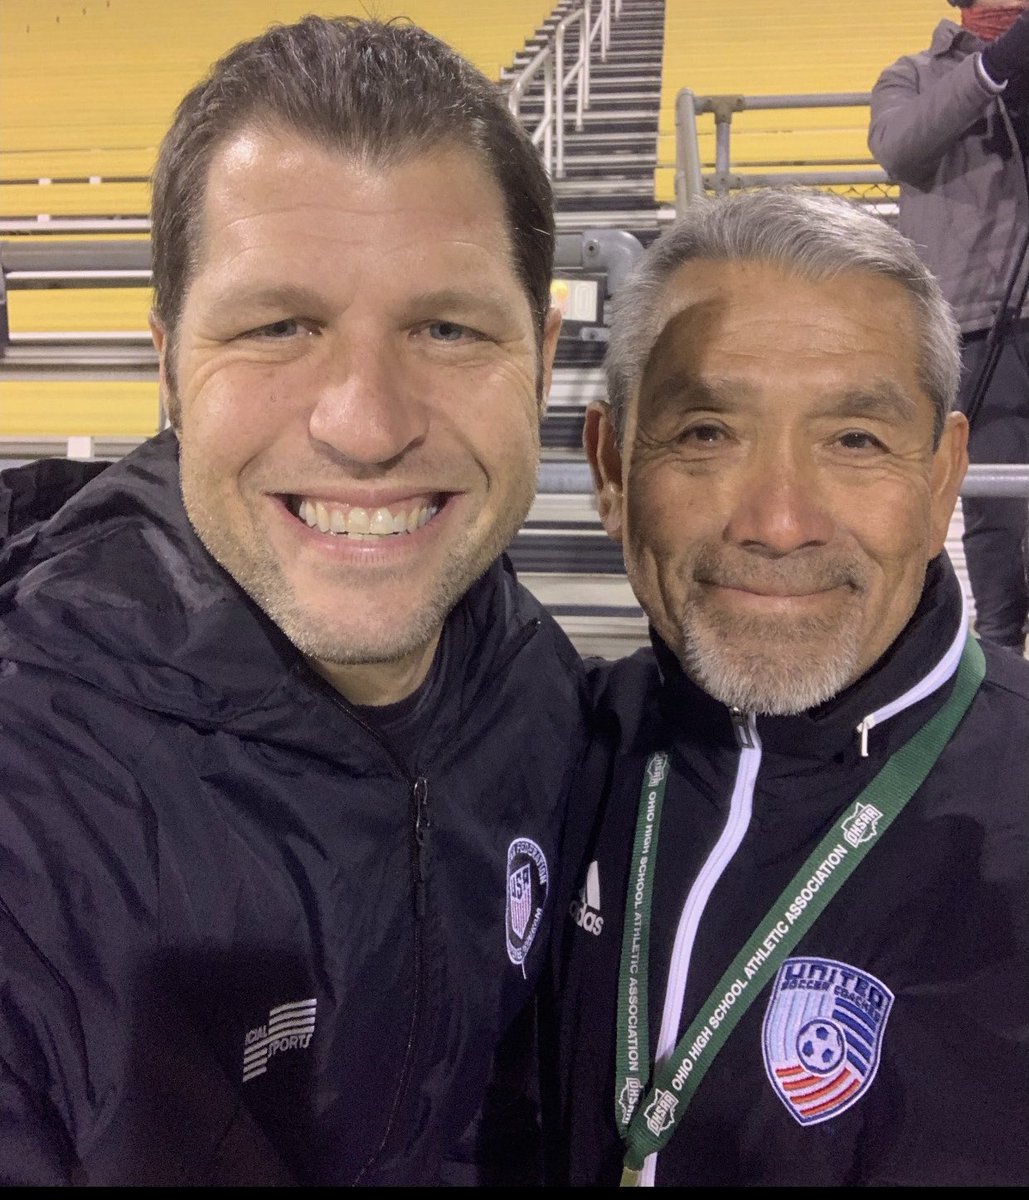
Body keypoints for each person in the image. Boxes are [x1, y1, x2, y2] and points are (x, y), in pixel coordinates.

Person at [0, 16, 586, 1186]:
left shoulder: (541, 685)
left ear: (544, 354)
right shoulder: (30, 791)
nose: (364, 424)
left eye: (447, 327)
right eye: (279, 328)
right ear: (166, 366)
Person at [544, 188, 1029, 1186]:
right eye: (708, 433)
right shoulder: (539, 756)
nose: (777, 521)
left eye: (856, 440)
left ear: (943, 478)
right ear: (609, 467)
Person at [869, 0, 1029, 652]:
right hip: (977, 325)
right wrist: (991, 71)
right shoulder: (910, 74)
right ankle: (999, 653)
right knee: (995, 508)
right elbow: (899, 148)